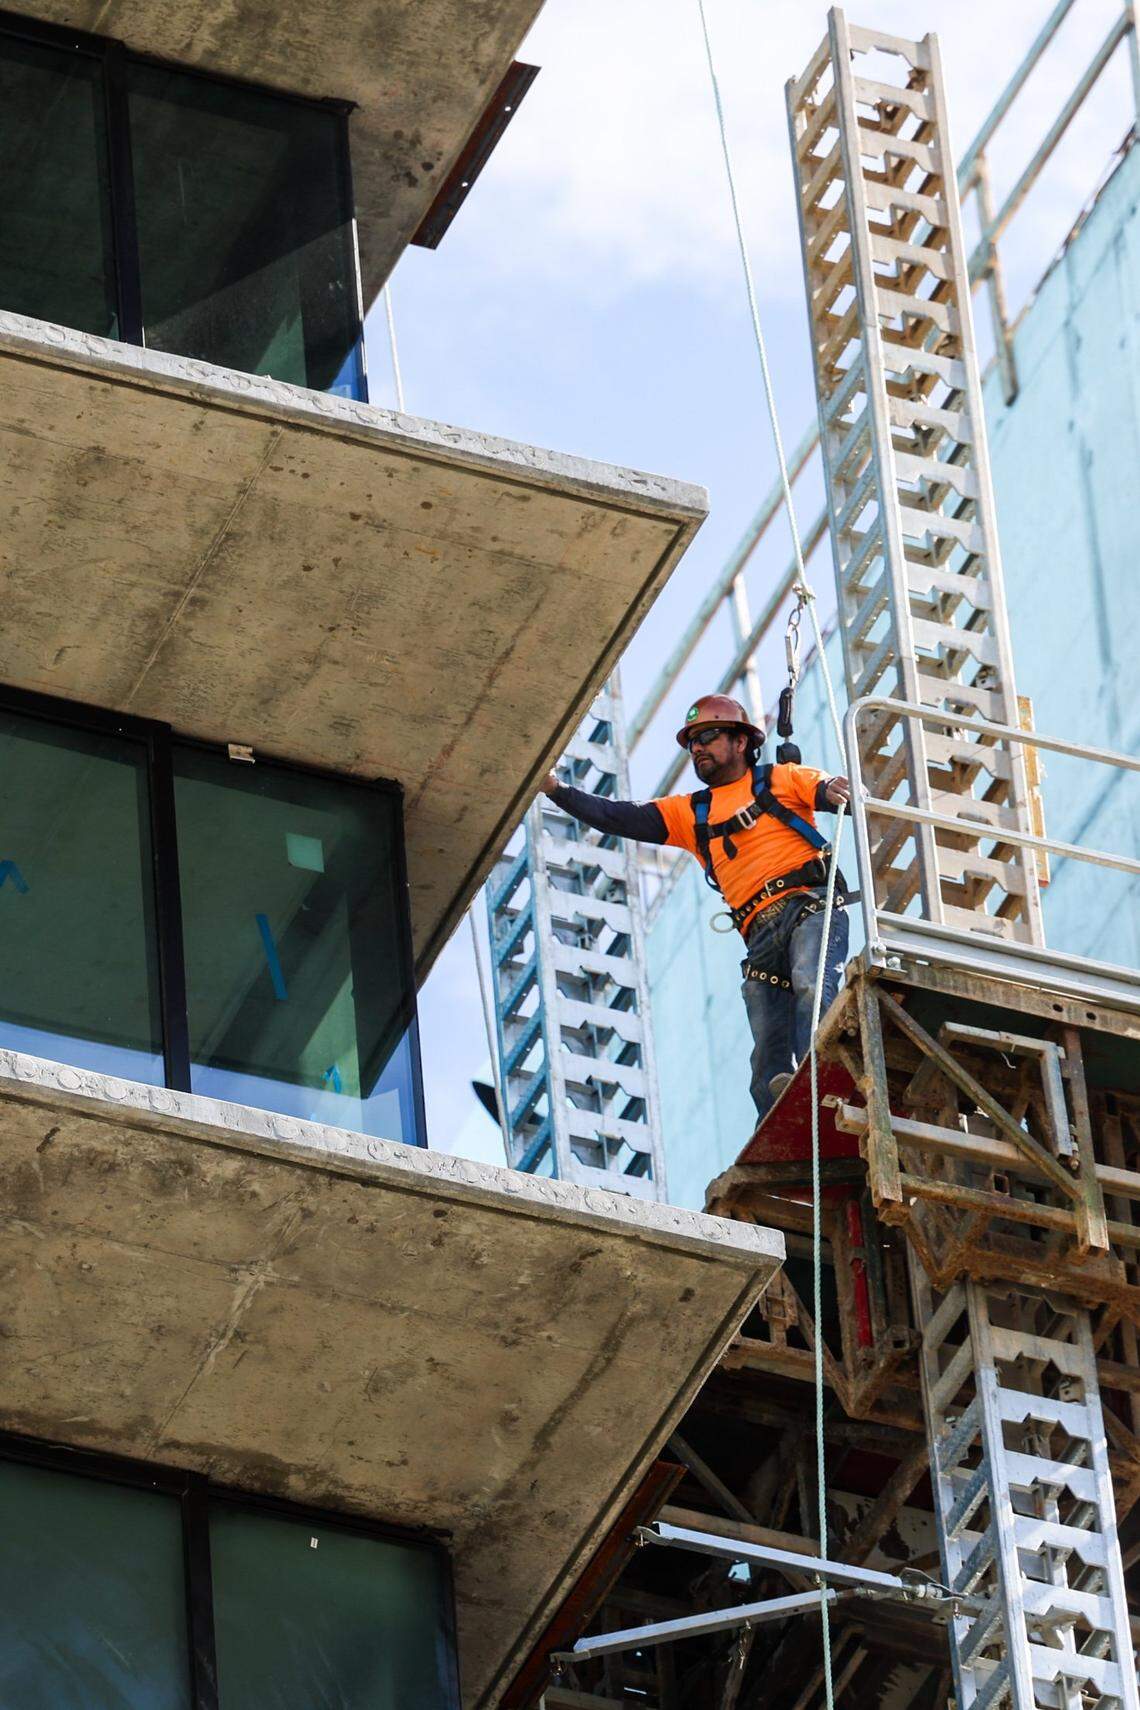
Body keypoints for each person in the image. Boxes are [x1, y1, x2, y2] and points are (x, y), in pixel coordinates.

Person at [543, 693, 850, 1124]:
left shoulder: (781, 779)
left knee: (811, 987)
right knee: (766, 1053)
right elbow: (616, 817)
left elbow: (826, 789)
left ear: (741, 741)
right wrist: (555, 789)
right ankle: (782, 1131)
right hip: (759, 933)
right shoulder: (692, 813)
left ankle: (824, 1082)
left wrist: (838, 791)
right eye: (691, 743)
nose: (697, 749)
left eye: (707, 737)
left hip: (809, 908)